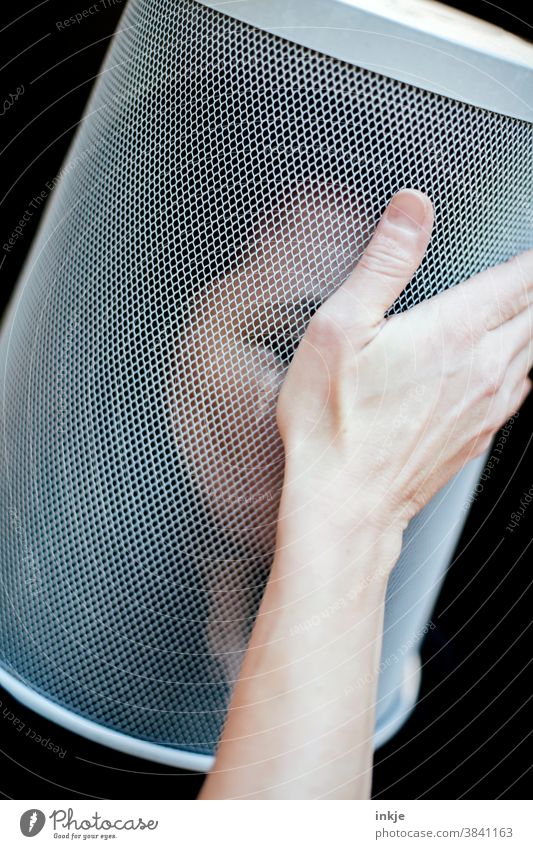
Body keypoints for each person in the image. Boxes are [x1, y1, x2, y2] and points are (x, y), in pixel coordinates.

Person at [192, 188, 533, 799]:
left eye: (410, 385)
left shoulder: (475, 717)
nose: (351, 420)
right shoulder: (37, 609)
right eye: (287, 347)